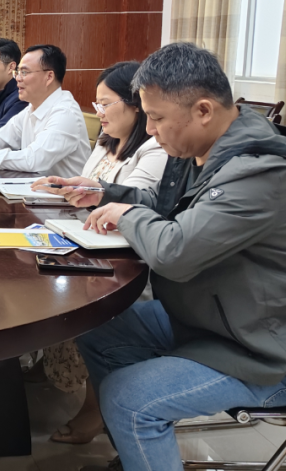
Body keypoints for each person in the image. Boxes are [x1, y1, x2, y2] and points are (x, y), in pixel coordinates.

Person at [46, 43, 286, 471]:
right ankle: (139, 445)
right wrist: (107, 194)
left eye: (157, 117)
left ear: (203, 110)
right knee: (102, 327)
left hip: (271, 354)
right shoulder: (204, 149)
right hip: (215, 322)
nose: (150, 130)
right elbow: (167, 205)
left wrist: (127, 215)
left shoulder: (259, 171)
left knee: (129, 398)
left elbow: (175, 252)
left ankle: (137, 419)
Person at [29, 61, 167, 445]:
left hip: (130, 264)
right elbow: (91, 190)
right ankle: (52, 366)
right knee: (36, 273)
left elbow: (135, 205)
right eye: (97, 104)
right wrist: (69, 189)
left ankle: (94, 407)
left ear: (136, 106)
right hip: (92, 242)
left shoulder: (155, 148)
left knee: (67, 293)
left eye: (106, 104)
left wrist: (93, 196)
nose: (99, 113)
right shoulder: (106, 141)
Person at [0, 44, 90, 177]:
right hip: (34, 190)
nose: (18, 79)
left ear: (49, 77)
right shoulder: (31, 109)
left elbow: (33, 159)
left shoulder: (65, 113)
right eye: (18, 72)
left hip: (64, 195)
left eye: (25, 72)